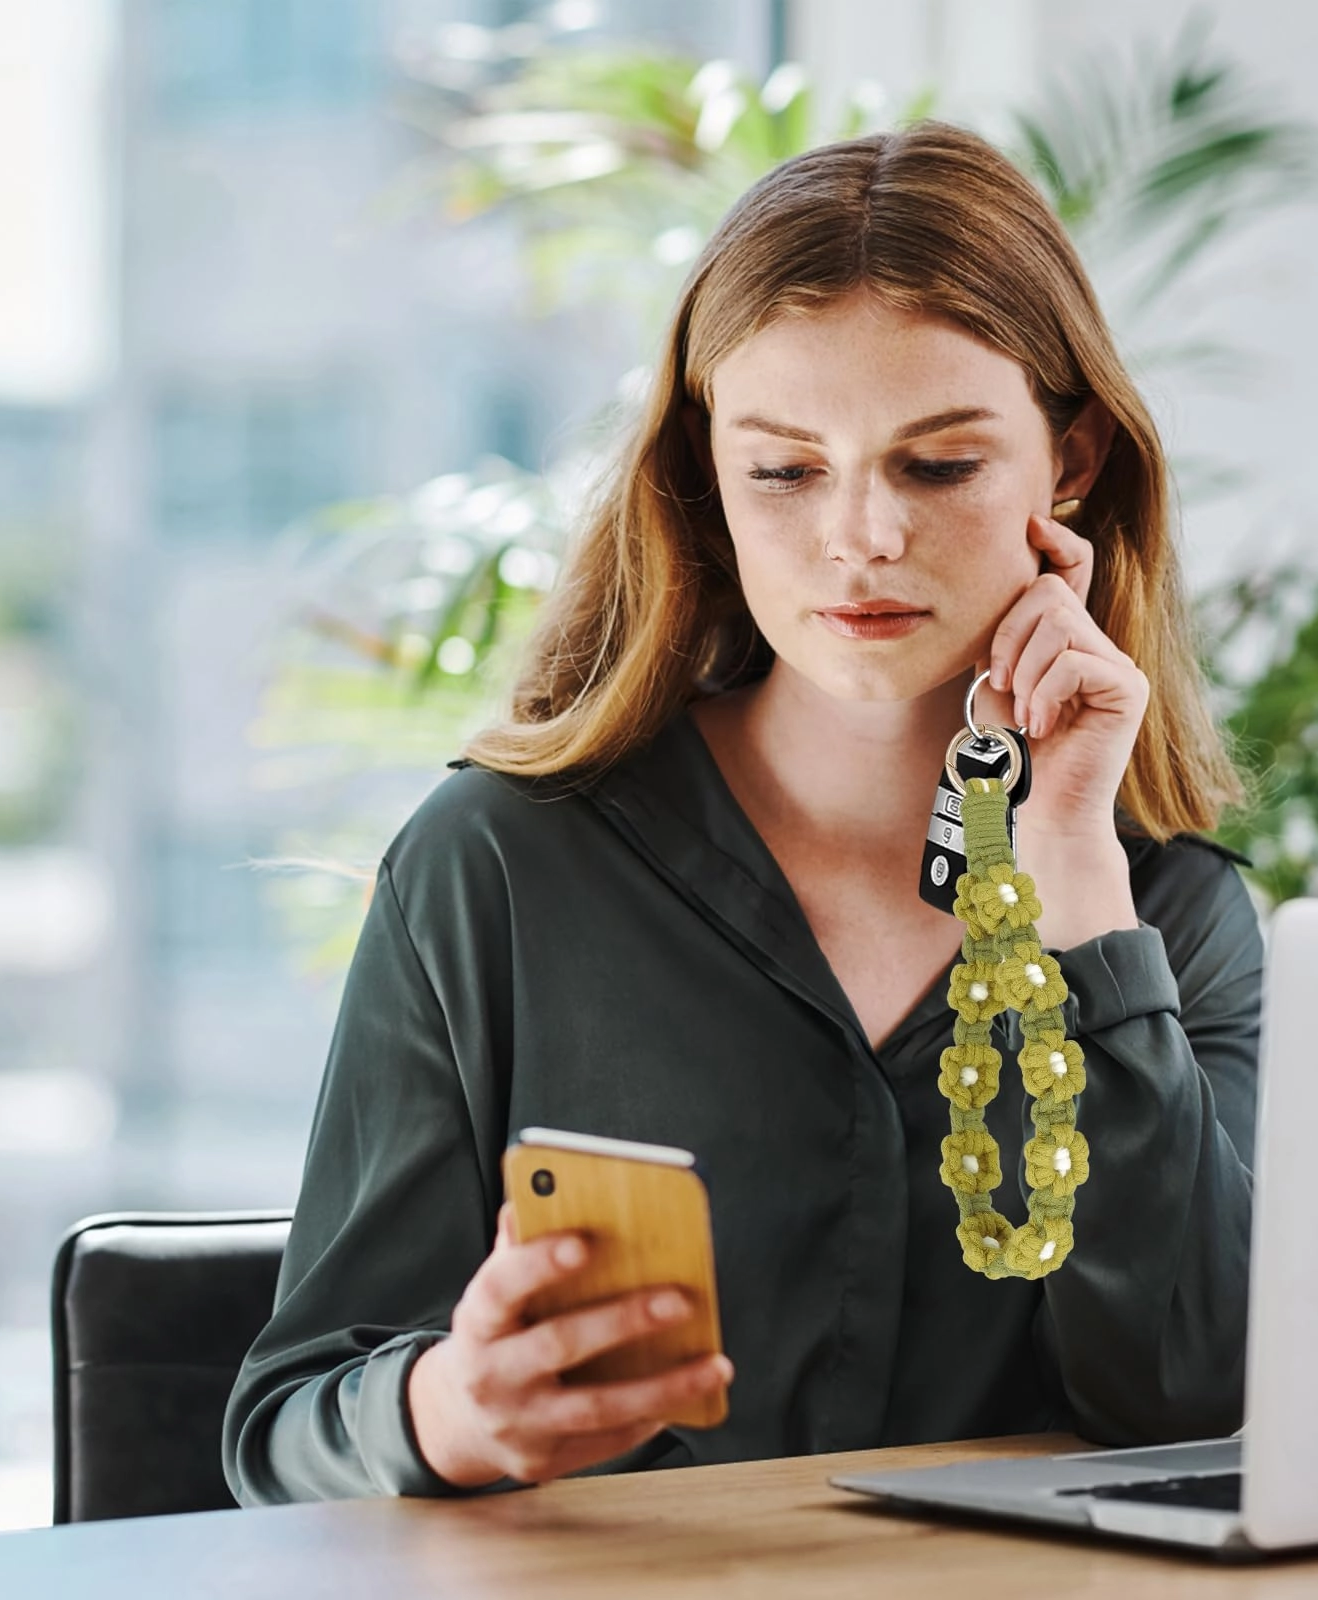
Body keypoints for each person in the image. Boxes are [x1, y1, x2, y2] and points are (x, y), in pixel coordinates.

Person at [223, 121, 1261, 1504]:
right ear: (708, 475)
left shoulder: (1171, 914)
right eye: (785, 470)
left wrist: (1070, 869)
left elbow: (1200, 1403)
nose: (862, 536)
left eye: (939, 465)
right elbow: (284, 1430)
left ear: (1068, 461)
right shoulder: (502, 868)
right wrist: (448, 1414)